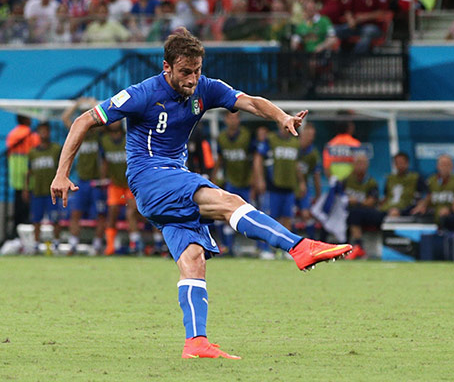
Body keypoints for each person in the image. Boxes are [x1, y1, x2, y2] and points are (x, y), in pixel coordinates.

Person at [50, 29, 352, 359]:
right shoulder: (143, 93)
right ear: (167, 67)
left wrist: (281, 116)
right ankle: (299, 247)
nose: (193, 79)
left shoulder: (205, 87)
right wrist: (62, 173)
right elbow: (83, 120)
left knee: (193, 260)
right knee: (230, 203)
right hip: (150, 178)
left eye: (197, 70)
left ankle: (196, 343)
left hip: (172, 180)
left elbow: (249, 101)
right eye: (185, 72)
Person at [62, 97, 107, 255]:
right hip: (81, 181)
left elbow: (105, 117)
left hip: (96, 182)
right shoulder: (78, 136)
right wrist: (78, 104)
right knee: (76, 213)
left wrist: (93, 104)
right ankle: (73, 244)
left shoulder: (97, 135)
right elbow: (65, 118)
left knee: (101, 215)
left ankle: (97, 245)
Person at [254, 122, 305, 258]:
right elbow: (258, 158)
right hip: (273, 185)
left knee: (288, 218)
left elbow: (297, 165)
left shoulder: (295, 143)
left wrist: (301, 182)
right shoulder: (270, 139)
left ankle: (286, 249)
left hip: (289, 185)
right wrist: (260, 179)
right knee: (271, 218)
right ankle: (267, 249)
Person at [100, 120, 143, 255]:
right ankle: (110, 246)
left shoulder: (129, 138)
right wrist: (103, 177)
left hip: (131, 184)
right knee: (112, 213)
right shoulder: (104, 140)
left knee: (132, 212)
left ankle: (135, 243)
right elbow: (104, 161)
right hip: (115, 184)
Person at [215, 111, 253, 255]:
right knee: (227, 213)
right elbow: (220, 159)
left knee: (250, 213)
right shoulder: (221, 138)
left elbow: (254, 157)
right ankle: (229, 247)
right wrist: (215, 178)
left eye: (235, 117)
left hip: (247, 181)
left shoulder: (247, 136)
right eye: (230, 118)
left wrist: (255, 179)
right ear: (225, 120)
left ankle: (259, 248)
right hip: (230, 181)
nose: (233, 120)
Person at [26, 122, 62, 253]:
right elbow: (29, 172)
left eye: (46, 131)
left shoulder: (56, 149)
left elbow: (62, 167)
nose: (44, 133)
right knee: (36, 219)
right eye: (41, 131)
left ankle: (56, 244)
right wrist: (26, 189)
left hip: (53, 191)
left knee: (55, 218)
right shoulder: (32, 152)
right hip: (37, 190)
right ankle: (36, 245)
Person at [6, 115, 39, 241]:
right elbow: (37, 149)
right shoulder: (31, 135)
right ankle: (26, 233)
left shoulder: (12, 134)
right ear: (26, 120)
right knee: (28, 205)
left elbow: (9, 152)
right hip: (27, 170)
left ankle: (16, 231)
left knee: (18, 203)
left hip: (15, 170)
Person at [345, 153, 384, 260]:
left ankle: (359, 248)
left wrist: (355, 201)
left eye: (363, 163)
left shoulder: (371, 182)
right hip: (349, 213)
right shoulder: (347, 180)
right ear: (353, 164)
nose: (360, 166)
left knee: (355, 214)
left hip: (369, 213)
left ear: (367, 165)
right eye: (358, 163)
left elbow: (370, 202)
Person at [412, 154, 454, 227]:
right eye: (442, 164)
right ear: (437, 166)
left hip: (451, 213)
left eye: (447, 164)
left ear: (452, 166)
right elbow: (427, 196)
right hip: (434, 212)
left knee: (449, 218)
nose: (444, 167)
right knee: (417, 213)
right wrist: (422, 205)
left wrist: (450, 209)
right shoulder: (431, 180)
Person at [295, 122, 322, 235]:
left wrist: (318, 194)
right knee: (288, 215)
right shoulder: (293, 147)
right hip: (290, 186)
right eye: (307, 135)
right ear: (302, 135)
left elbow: (316, 174)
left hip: (304, 188)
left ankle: (312, 241)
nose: (310, 138)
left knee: (307, 214)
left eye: (312, 135)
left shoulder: (313, 154)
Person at [380, 151, 426, 216]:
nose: (400, 165)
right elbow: (386, 197)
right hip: (388, 208)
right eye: (397, 163)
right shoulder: (389, 178)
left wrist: (421, 205)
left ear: (407, 163)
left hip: (406, 208)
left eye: (402, 163)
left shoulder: (415, 178)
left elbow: (425, 195)